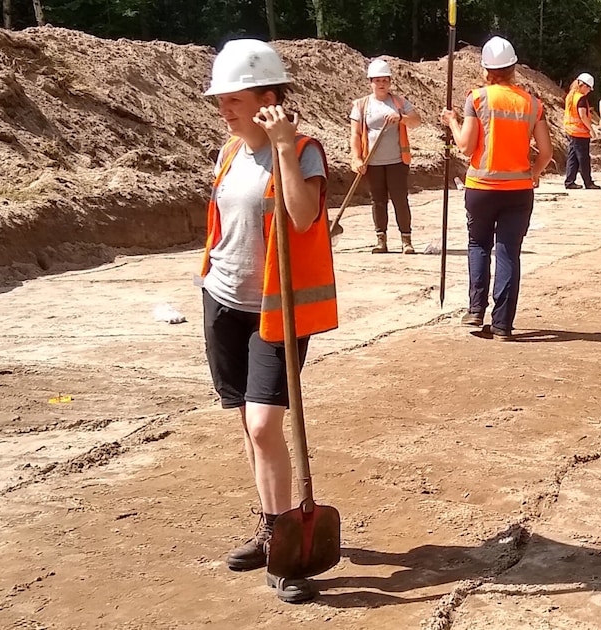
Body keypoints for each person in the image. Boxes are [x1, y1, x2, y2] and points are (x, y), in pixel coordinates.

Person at [199, 38, 337, 605]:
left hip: (276, 310)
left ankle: (285, 551)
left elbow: (305, 219)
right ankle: (270, 523)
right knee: (247, 424)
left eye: (233, 97)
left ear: (268, 97)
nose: (224, 107)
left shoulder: (305, 151)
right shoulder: (228, 152)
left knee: (263, 426)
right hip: (223, 299)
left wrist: (282, 147)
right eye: (220, 98)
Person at [441, 36, 553, 341]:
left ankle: (476, 311)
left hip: (481, 187)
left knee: (479, 246)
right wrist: (534, 172)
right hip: (518, 190)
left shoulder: (477, 99)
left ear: (486, 69)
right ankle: (503, 324)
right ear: (513, 68)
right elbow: (546, 152)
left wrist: (452, 121)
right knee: (508, 253)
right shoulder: (533, 104)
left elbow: (465, 146)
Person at [350, 57, 422, 254]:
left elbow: (416, 121)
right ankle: (381, 240)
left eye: (385, 80)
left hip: (397, 162)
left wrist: (401, 118)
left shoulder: (399, 102)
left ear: (390, 82)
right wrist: (357, 158)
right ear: (370, 82)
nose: (381, 84)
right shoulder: (361, 105)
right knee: (378, 200)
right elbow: (355, 135)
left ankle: (406, 240)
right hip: (372, 163)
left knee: (400, 200)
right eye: (377, 80)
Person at [563, 72, 600, 190]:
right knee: (583, 158)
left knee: (572, 157)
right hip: (580, 133)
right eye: (589, 88)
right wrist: (592, 130)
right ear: (583, 85)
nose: (589, 90)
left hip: (571, 130)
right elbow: (583, 116)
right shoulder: (581, 98)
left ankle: (569, 181)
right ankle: (588, 182)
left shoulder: (570, 95)